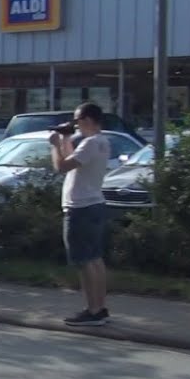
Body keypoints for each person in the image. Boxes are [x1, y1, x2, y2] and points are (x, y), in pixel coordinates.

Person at [51, 102, 112, 326]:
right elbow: (73, 161)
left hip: (80, 208)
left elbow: (61, 167)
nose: (75, 125)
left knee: (84, 262)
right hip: (94, 204)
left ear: (87, 120)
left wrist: (54, 145)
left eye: (76, 121)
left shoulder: (90, 143)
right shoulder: (101, 142)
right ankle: (100, 308)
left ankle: (92, 310)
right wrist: (66, 139)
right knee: (95, 259)